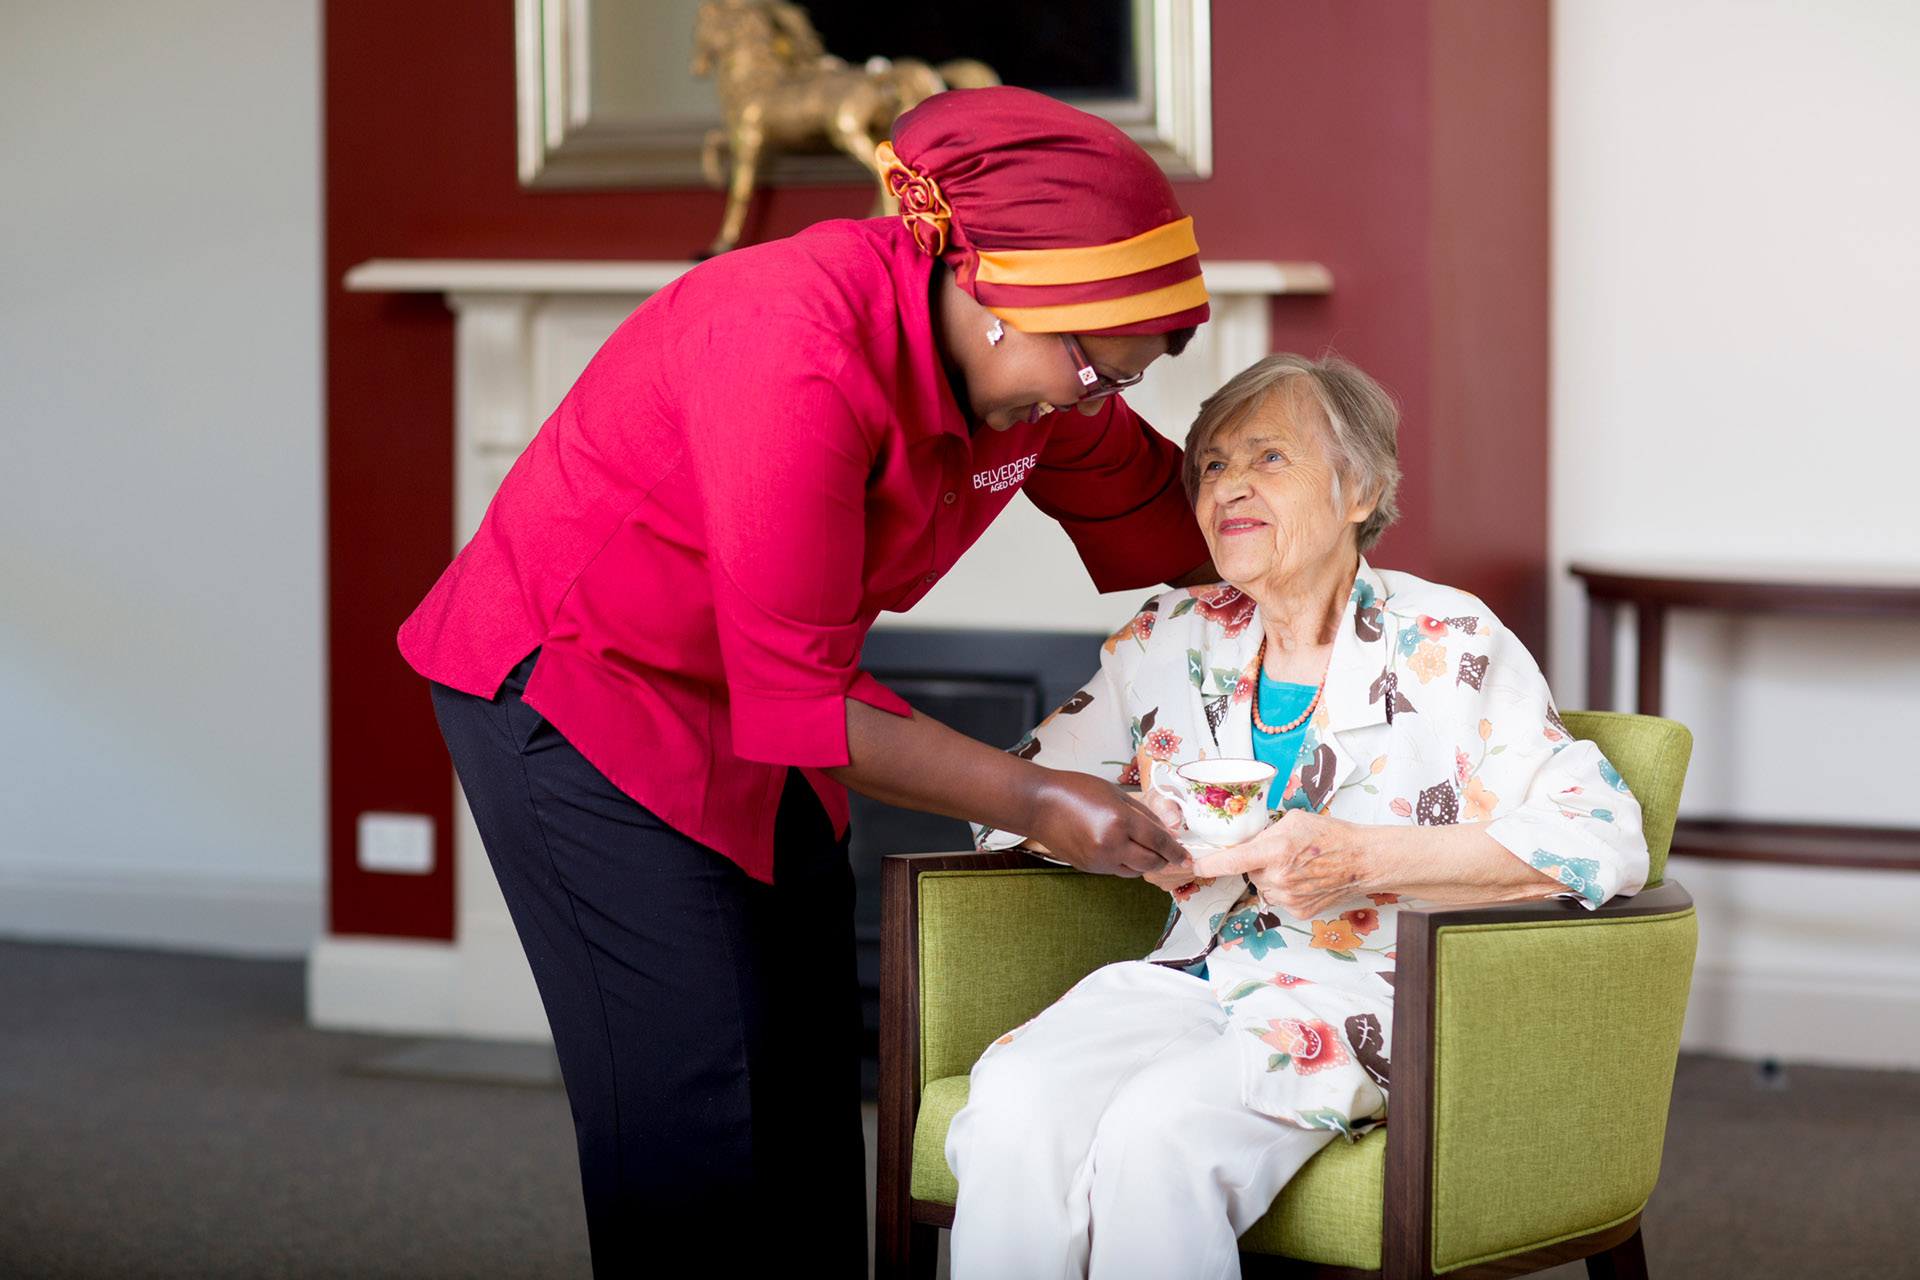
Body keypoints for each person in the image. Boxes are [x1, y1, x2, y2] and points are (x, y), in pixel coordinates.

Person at [400, 86, 1215, 1275]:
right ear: (994, 294)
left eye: (1120, 381)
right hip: (578, 686)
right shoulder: (794, 354)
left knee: (800, 1081)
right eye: (1094, 371)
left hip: (763, 677)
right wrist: (1037, 799)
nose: (1095, 401)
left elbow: (1182, 525)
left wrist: (1365, 612)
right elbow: (801, 698)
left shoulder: (1049, 370)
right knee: (696, 1102)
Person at [947, 353, 1651, 1280]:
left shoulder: (1451, 642)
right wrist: (1120, 822)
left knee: (1160, 1137)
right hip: (1192, 975)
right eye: (1212, 466)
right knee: (1012, 1103)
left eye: (1269, 458)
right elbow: (1015, 801)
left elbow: (1600, 837)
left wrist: (1360, 858)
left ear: (1359, 485)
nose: (1229, 486)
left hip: (1373, 992)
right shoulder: (1170, 637)